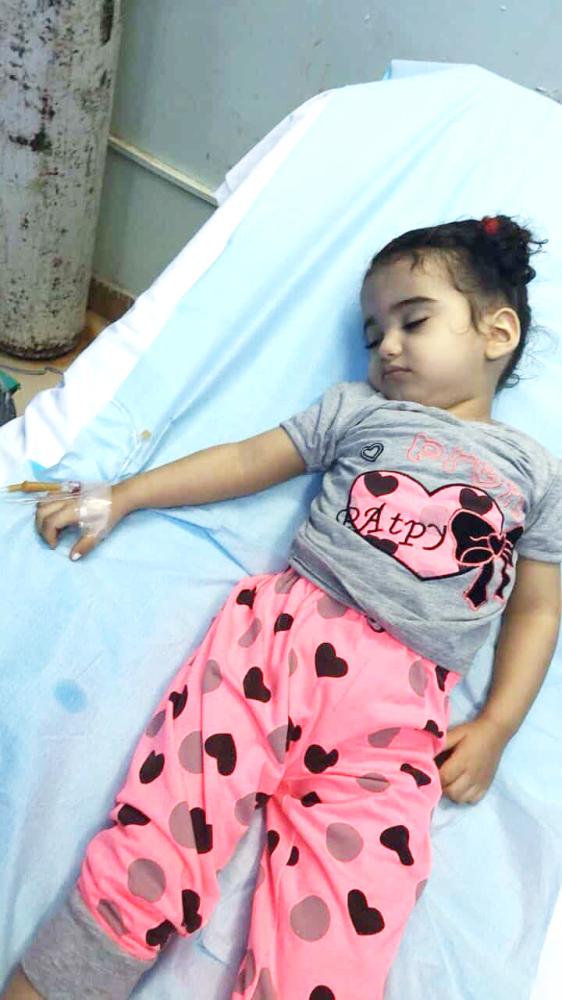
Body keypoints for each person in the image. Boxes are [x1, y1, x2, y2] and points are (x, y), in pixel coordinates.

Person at [4, 215, 561, 1000]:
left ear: (497, 332)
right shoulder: (358, 412)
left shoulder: (535, 474)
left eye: (413, 321)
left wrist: (499, 723)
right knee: (159, 838)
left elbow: (537, 611)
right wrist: (125, 495)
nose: (386, 347)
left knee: (342, 934)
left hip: (396, 722)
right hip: (276, 653)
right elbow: (246, 460)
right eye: (373, 333)